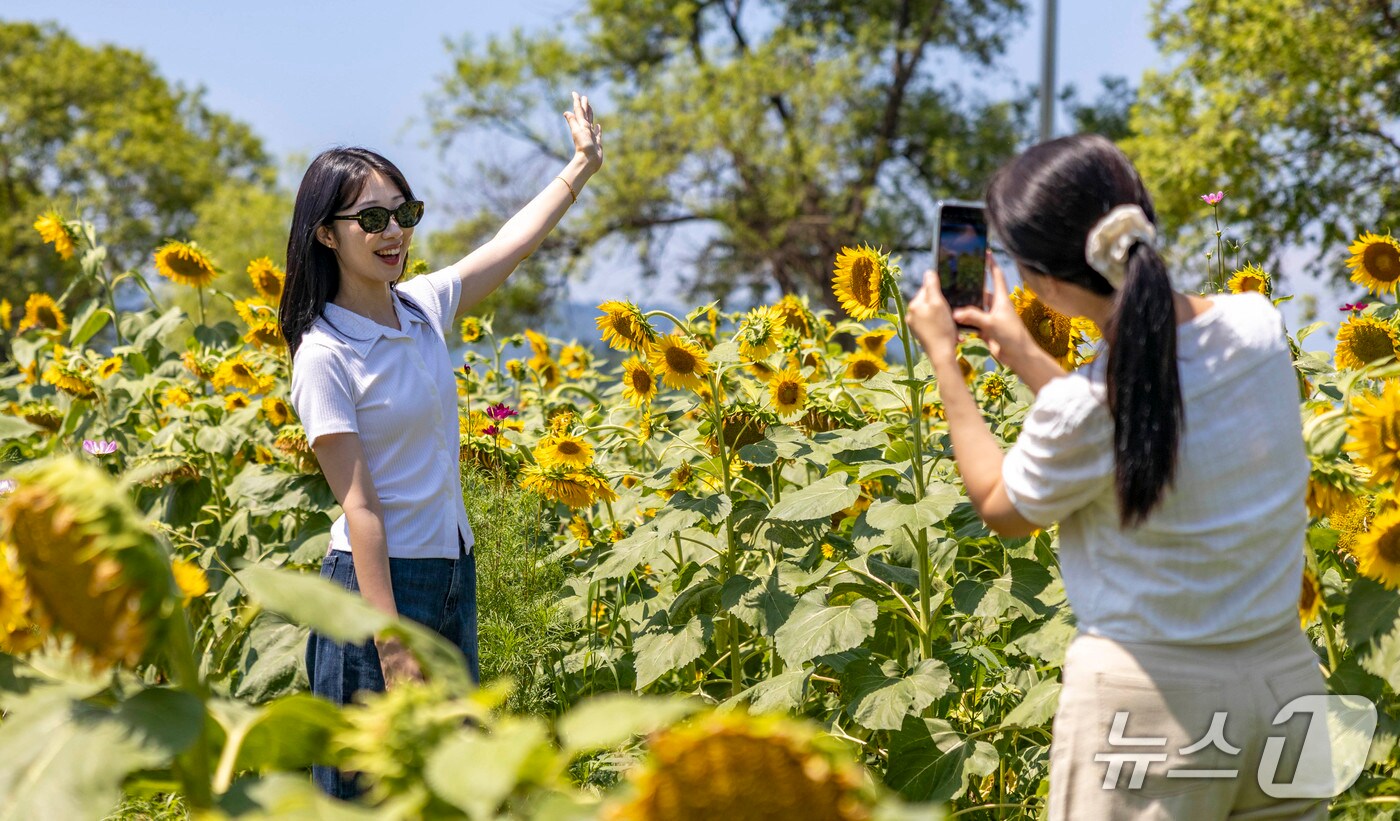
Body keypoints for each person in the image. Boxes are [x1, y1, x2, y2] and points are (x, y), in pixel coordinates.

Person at [904, 134, 1327, 818]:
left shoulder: (1085, 408)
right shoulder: (1257, 327)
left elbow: (1000, 503)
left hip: (1155, 705)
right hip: (1285, 686)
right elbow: (1141, 414)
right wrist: (1024, 356)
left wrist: (946, 362)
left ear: (1043, 282)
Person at [280, 92, 602, 799]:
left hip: (453, 575)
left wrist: (579, 168)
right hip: (378, 594)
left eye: (404, 213)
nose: (393, 231)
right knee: (364, 799)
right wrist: (390, 645)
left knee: (452, 794)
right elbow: (360, 509)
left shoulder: (421, 307)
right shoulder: (326, 354)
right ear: (326, 235)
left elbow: (509, 245)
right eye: (371, 219)